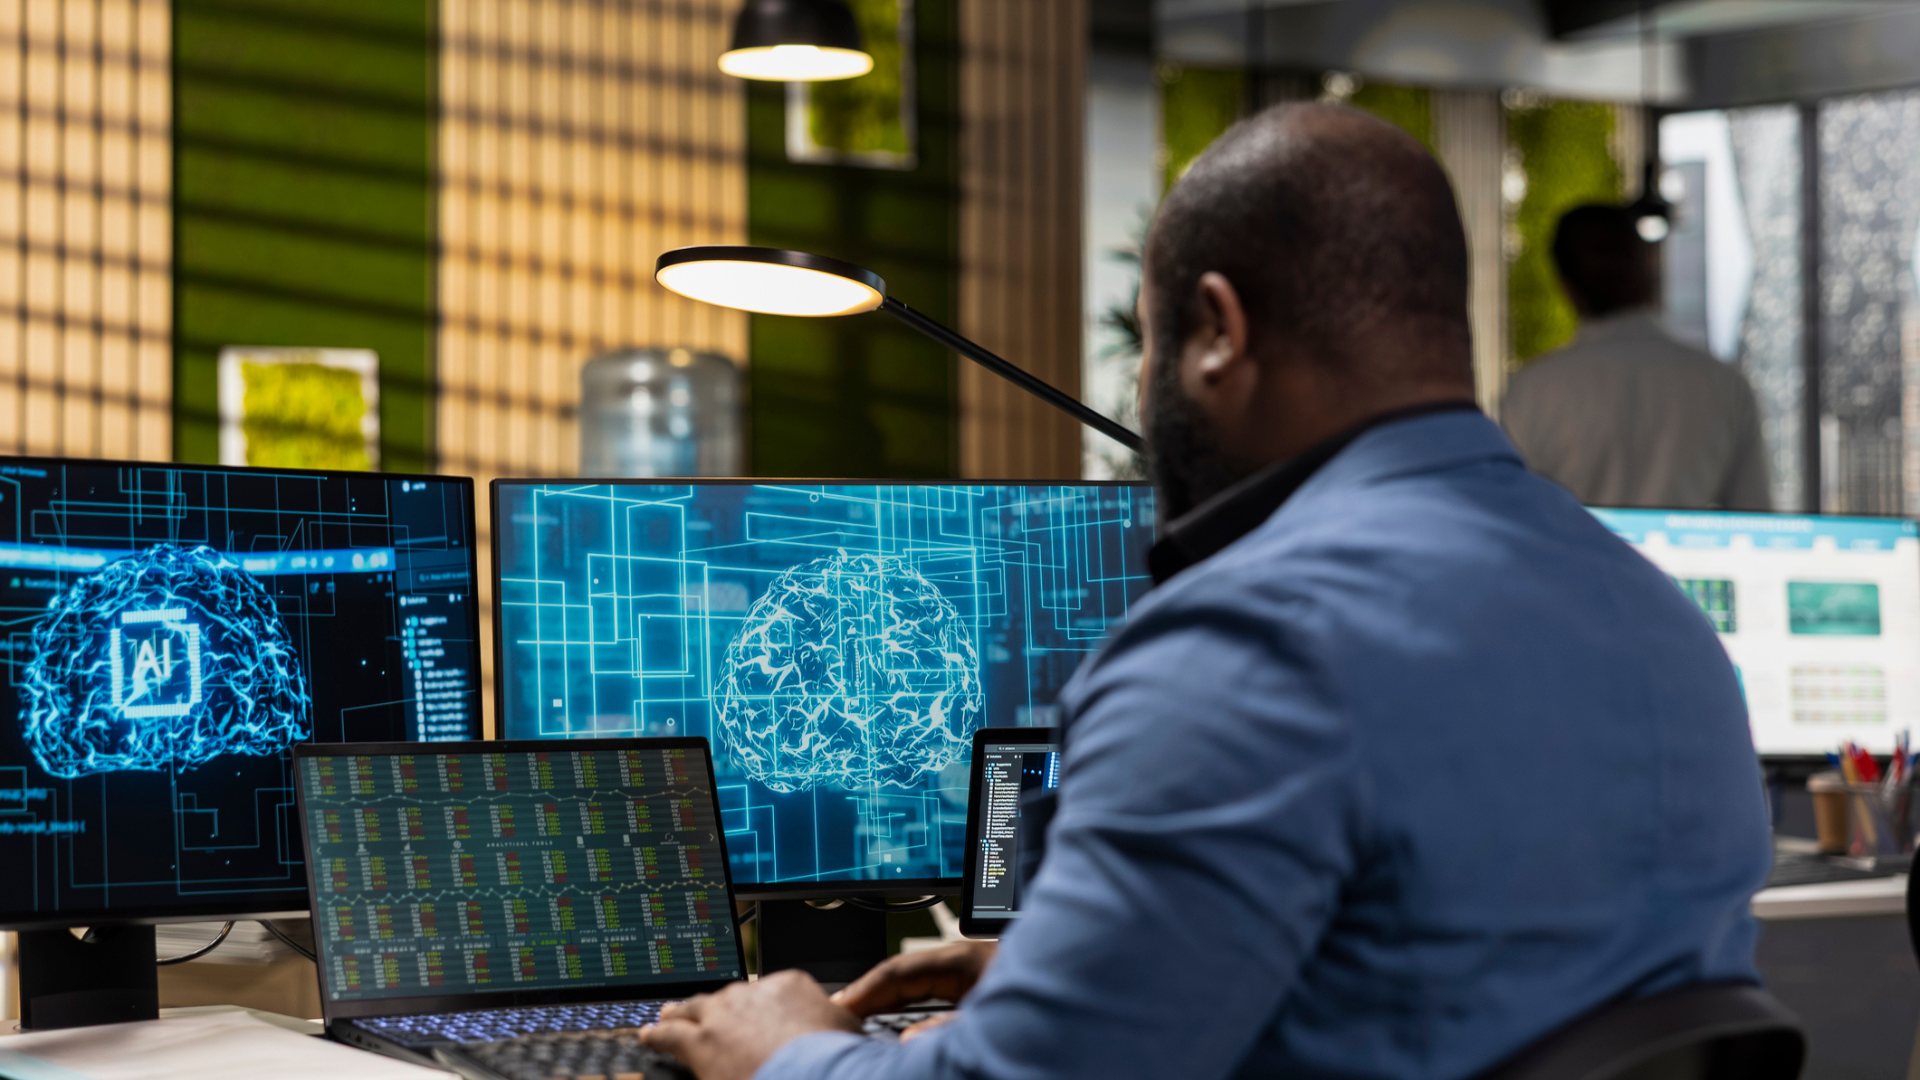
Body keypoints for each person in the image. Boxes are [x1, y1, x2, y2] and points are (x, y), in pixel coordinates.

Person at [640, 104, 1771, 1080]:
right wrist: (1096, 971)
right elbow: (1463, 989)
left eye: (1146, 340)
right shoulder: (1660, 620)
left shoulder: (1247, 647)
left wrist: (784, 1047)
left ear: (1219, 333)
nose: (1140, 378)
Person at [1501, 204, 1772, 510]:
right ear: (1648, 264)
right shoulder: (1724, 386)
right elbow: (1754, 518)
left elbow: (1513, 516)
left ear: (1566, 286)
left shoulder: (1531, 392)